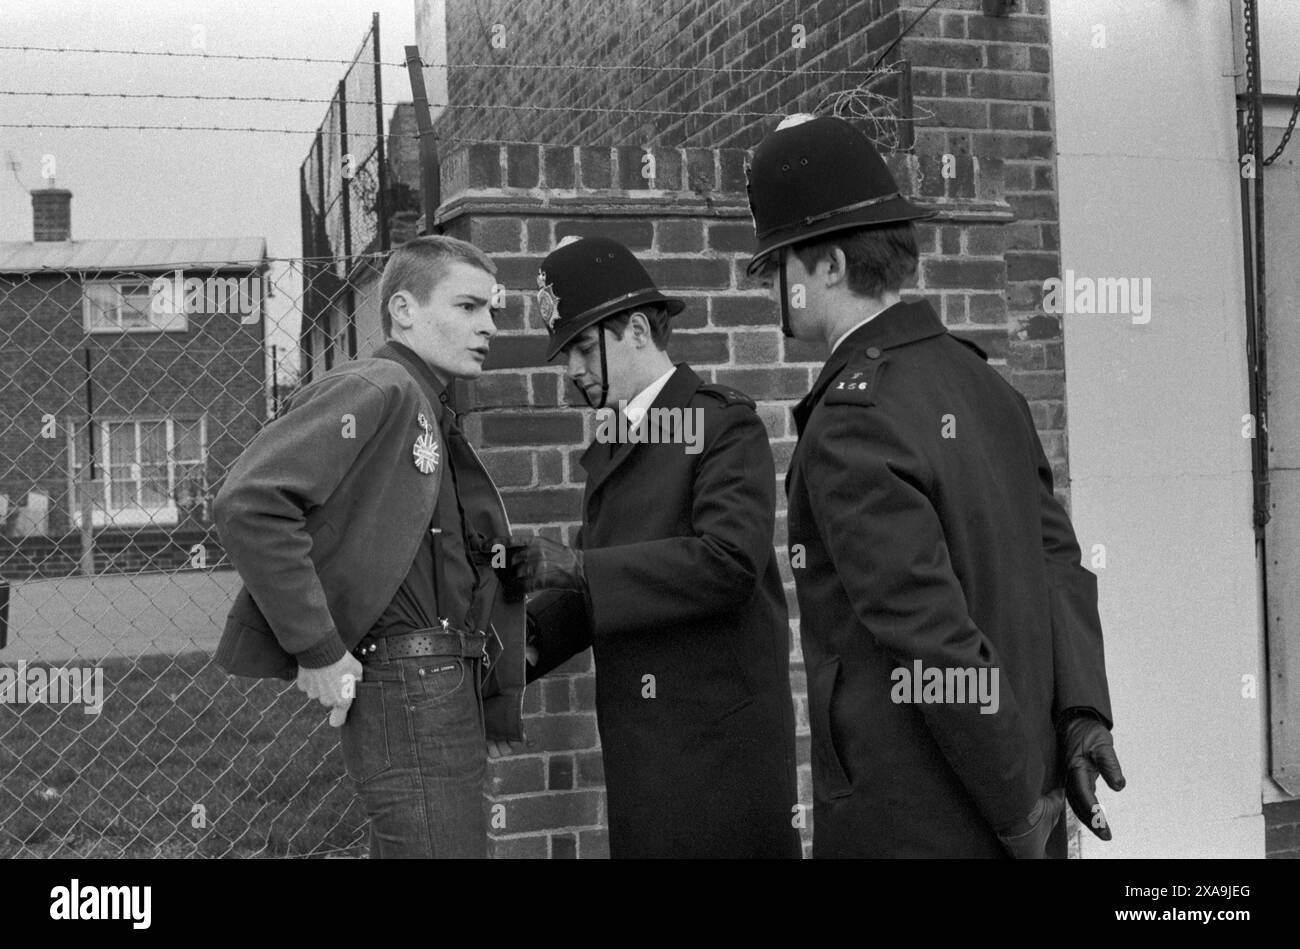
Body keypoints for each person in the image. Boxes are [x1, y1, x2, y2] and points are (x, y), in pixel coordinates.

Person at [744, 114, 1125, 858]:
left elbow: (931, 643)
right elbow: (1059, 564)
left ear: (826, 266)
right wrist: (1082, 712)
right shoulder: (983, 384)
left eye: (778, 265)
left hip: (925, 819)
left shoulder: (853, 419)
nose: (772, 288)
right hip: (1021, 795)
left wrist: (1019, 808)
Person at [213, 235, 526, 859]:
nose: (488, 326)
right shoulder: (382, 385)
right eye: (467, 307)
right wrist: (320, 650)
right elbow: (249, 500)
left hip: (438, 681)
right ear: (404, 309)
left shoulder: (426, 403)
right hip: (410, 683)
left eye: (491, 310)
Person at [507, 236, 801, 858]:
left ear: (637, 329)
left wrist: (577, 566)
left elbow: (729, 563)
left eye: (584, 348)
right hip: (645, 745)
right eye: (566, 355)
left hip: (718, 748)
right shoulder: (613, 441)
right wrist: (519, 647)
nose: (574, 372)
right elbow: (608, 591)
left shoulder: (722, 424)